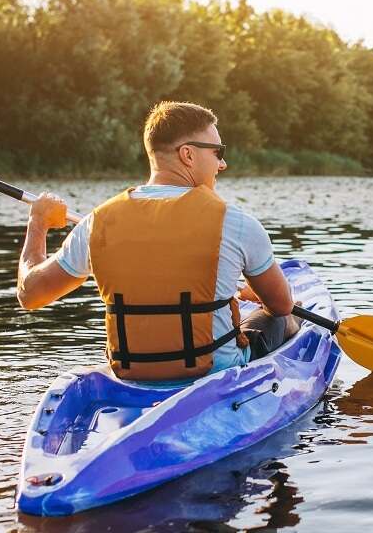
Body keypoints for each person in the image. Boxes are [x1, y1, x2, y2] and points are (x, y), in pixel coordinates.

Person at [15, 101, 299, 383]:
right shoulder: (236, 222)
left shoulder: (97, 222)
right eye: (217, 152)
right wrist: (256, 294)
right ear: (188, 154)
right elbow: (281, 304)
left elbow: (30, 294)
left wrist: (37, 222)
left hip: (131, 372)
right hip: (215, 372)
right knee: (282, 319)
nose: (222, 163)